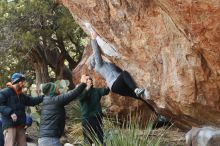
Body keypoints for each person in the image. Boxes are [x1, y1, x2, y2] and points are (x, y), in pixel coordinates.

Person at [88, 31, 148, 102]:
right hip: (115, 84)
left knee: (139, 96)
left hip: (115, 88)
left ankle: (155, 111)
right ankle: (136, 89)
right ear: (94, 60)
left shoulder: (102, 66)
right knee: (124, 74)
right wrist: (93, 39)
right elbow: (96, 52)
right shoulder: (98, 66)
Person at [38, 75, 88, 146]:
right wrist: (83, 83)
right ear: (52, 90)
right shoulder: (55, 100)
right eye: (57, 88)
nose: (59, 89)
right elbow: (71, 95)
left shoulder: (47, 100)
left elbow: (68, 95)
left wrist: (78, 87)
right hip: (50, 140)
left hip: (44, 139)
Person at [0, 73, 44, 146]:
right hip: (10, 125)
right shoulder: (4, 92)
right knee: (10, 144)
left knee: (23, 144)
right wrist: (11, 113)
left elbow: (32, 101)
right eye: (22, 81)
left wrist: (44, 97)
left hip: (20, 125)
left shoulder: (21, 95)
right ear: (17, 81)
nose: (23, 83)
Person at [78, 75, 109, 145]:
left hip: (97, 118)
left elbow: (105, 91)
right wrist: (87, 88)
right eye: (87, 79)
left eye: (90, 79)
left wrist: (108, 84)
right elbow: (81, 98)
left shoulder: (96, 90)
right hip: (87, 118)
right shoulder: (81, 91)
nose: (90, 80)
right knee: (88, 140)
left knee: (100, 138)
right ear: (84, 82)